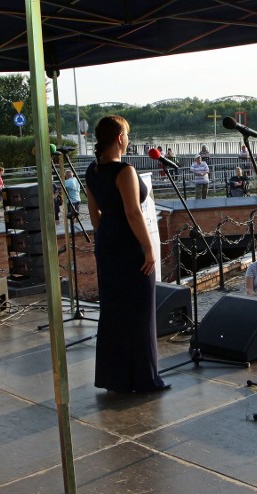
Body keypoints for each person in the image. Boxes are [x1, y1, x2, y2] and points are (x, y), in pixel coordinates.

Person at [84, 115, 169, 393]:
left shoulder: (93, 170)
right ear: (120, 137)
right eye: (128, 135)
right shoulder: (125, 171)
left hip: (107, 243)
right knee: (141, 313)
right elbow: (133, 213)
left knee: (113, 312)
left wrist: (103, 238)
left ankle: (115, 378)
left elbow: (94, 212)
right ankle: (145, 379)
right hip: (129, 245)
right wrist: (148, 248)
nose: (129, 140)